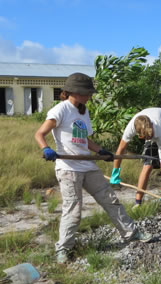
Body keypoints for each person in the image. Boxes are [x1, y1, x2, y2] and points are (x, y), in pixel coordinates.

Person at [34, 73, 151, 264]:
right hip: (68, 167)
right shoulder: (61, 110)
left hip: (88, 165)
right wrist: (46, 148)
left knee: (110, 199)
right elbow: (40, 133)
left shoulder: (83, 112)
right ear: (76, 92)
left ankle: (131, 233)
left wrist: (101, 151)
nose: (90, 96)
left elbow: (84, 139)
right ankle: (63, 249)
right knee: (73, 209)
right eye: (87, 92)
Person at [110, 108, 161, 206]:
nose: (149, 138)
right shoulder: (131, 128)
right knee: (147, 166)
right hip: (154, 131)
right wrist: (115, 171)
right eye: (146, 138)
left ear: (152, 127)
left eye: (150, 136)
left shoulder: (159, 132)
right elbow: (121, 149)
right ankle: (138, 203)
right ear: (140, 134)